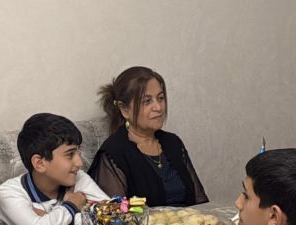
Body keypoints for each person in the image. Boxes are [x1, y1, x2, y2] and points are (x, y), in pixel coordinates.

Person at [88, 66, 208, 207]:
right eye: (147, 101)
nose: (158, 107)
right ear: (124, 109)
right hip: (142, 223)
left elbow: (200, 201)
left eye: (160, 98)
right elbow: (116, 215)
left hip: (188, 221)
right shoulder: (114, 153)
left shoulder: (173, 142)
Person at [0, 113, 108, 225]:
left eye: (78, 152)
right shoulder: (9, 192)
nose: (79, 162)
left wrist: (52, 221)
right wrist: (72, 205)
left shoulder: (78, 178)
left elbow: (115, 218)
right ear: (40, 163)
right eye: (70, 154)